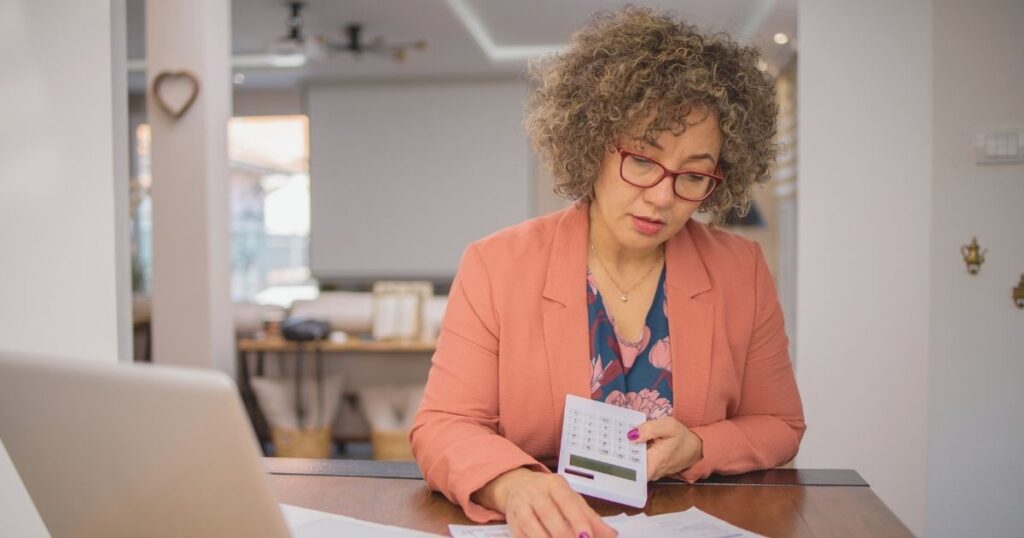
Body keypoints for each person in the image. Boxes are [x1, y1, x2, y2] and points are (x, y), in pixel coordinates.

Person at [410, 7, 805, 538]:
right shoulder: (496, 265)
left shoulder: (741, 269)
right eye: (642, 159)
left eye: (693, 175)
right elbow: (443, 426)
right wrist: (512, 484)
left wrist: (701, 446)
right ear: (592, 144)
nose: (663, 197)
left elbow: (779, 425)